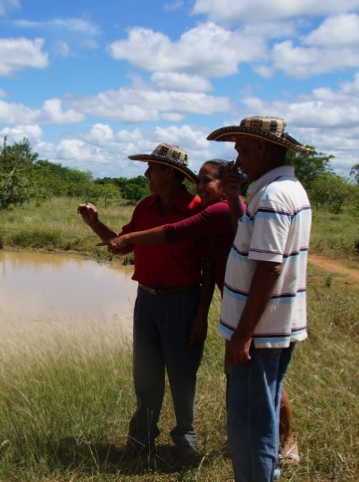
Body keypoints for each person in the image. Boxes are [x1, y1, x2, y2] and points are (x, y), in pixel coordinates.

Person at [100, 159, 301, 466]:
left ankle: (284, 441)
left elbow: (177, 233)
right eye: (199, 181)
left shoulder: (214, 210)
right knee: (238, 376)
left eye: (207, 181)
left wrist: (130, 238)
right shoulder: (191, 208)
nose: (200, 187)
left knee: (259, 376)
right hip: (232, 300)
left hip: (250, 302)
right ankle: (239, 441)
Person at [77, 143, 204, 459]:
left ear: (171, 174)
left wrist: (201, 314)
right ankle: (141, 438)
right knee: (145, 374)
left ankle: (185, 440)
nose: (147, 173)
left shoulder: (196, 209)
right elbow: (121, 246)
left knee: (182, 374)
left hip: (182, 300)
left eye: (153, 168)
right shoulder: (145, 207)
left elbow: (211, 266)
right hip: (146, 299)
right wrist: (94, 222)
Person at [209, 116, 313, 482]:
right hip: (271, 327)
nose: (236, 153)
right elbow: (248, 237)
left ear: (261, 147)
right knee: (263, 412)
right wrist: (235, 195)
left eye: (241, 145)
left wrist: (243, 335)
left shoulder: (273, 196)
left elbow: (268, 269)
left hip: (260, 332)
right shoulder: (283, 189)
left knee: (250, 423)